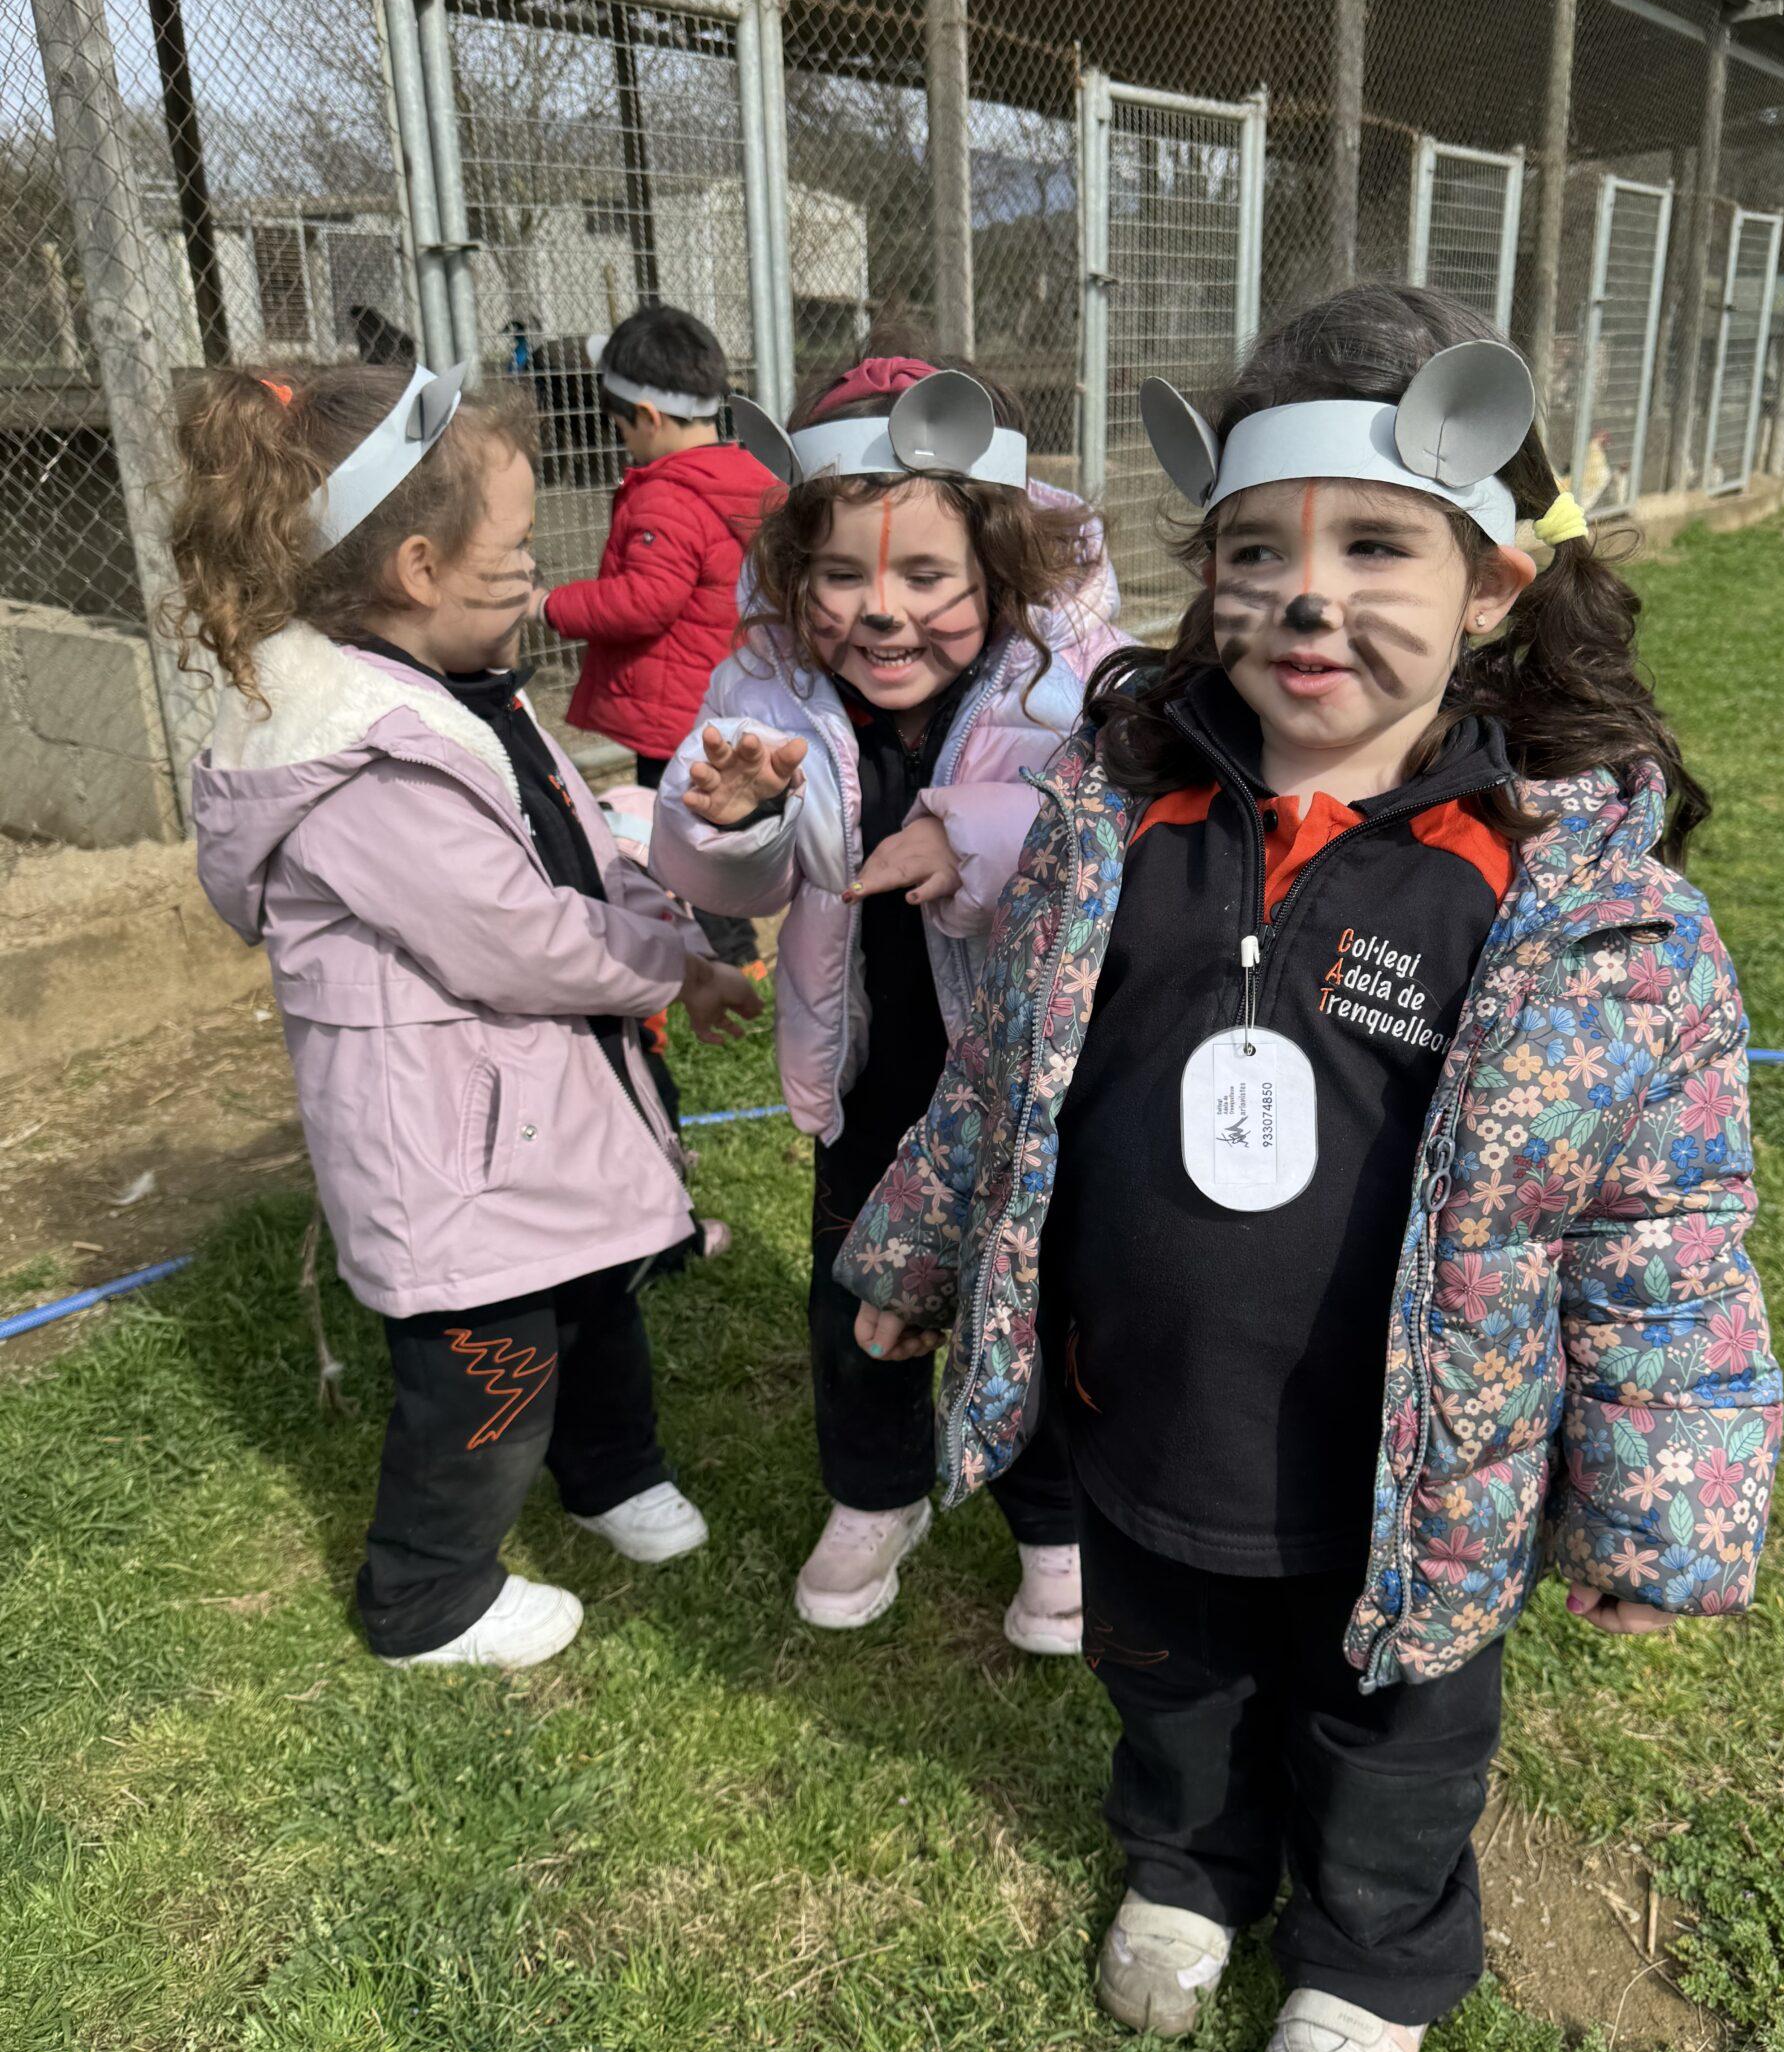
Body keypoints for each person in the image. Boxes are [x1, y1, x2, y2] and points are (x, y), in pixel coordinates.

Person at [841, 285, 1782, 2052]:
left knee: (1393, 1741)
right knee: (1170, 1687)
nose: (1305, 598)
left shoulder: (1580, 902)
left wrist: (1662, 1502)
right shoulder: (1122, 815)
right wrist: (917, 1249)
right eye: (1256, 551)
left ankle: (1370, 1954)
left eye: (1374, 549)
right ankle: (1189, 1867)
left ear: (1494, 583)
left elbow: (1663, 1230)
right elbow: (1007, 1073)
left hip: (1412, 1477)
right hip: (1145, 1418)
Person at [176, 361, 762, 1671]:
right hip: (448, 1144)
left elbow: (577, 850)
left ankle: (610, 1474)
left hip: (532, 1112)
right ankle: (428, 1597)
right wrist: (665, 966)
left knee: (595, 1289)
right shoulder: (360, 758)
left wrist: (671, 938)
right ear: (421, 569)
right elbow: (515, 936)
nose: (538, 580)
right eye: (518, 557)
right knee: (487, 1366)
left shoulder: (464, 690)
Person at [649, 355, 1132, 1651]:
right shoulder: (765, 682)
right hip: (867, 1068)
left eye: (925, 577)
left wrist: (966, 834)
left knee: (1028, 1297)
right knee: (854, 1291)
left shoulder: (1078, 674)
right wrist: (729, 825)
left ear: (999, 564)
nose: (880, 613)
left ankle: (1053, 1518)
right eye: (840, 577)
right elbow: (726, 870)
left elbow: (1117, 825)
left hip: (1027, 1077)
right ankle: (876, 1494)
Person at [533, 303, 779, 971]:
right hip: (720, 698)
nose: (622, 442)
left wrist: (550, 605)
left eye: (620, 428)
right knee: (713, 824)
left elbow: (644, 600)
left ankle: (720, 959)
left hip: (674, 713)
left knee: (677, 834)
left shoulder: (666, 496)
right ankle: (734, 955)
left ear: (647, 417)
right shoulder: (744, 478)